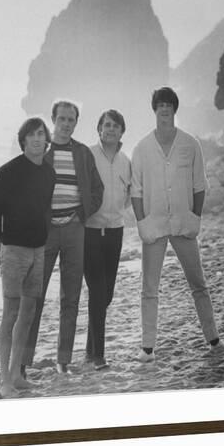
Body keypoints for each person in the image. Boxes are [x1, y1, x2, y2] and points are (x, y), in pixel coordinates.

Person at [131, 87, 224, 362]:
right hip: (154, 227)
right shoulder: (141, 147)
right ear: (155, 109)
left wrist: (195, 217)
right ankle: (147, 348)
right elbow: (136, 190)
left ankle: (214, 339)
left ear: (175, 108)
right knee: (149, 288)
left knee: (199, 284)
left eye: (169, 104)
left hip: (185, 225)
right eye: (160, 105)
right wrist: (142, 223)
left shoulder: (190, 144)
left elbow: (200, 185)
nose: (164, 109)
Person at [22, 100, 104, 375]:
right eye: (62, 119)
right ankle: (23, 361)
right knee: (34, 295)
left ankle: (63, 361)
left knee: (71, 297)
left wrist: (82, 213)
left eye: (71, 119)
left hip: (73, 229)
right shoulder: (41, 152)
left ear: (75, 123)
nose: (66, 124)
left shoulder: (82, 153)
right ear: (53, 120)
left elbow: (97, 189)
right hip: (44, 232)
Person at [0, 118, 55, 397]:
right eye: (31, 135)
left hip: (38, 250)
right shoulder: (8, 171)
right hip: (14, 251)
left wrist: (44, 237)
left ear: (45, 139)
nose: (37, 139)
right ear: (23, 140)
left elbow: (43, 210)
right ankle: (4, 380)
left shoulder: (49, 173)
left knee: (28, 313)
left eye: (41, 134)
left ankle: (17, 374)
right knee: (10, 313)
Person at [84, 110, 131, 370]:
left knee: (107, 294)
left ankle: (89, 350)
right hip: (90, 232)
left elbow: (128, 194)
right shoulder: (88, 155)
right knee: (97, 292)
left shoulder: (126, 160)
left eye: (115, 126)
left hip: (115, 232)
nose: (110, 129)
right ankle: (98, 356)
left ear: (122, 131)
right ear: (99, 129)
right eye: (106, 125)